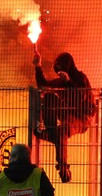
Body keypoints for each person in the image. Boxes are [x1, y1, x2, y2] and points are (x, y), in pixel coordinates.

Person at [33, 51, 93, 183]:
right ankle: (52, 132)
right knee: (49, 96)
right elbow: (43, 86)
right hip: (68, 113)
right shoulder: (60, 81)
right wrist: (38, 66)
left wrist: (68, 82)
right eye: (57, 69)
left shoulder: (80, 78)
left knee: (62, 130)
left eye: (61, 68)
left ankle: (63, 166)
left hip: (82, 117)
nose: (59, 71)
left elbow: (80, 98)